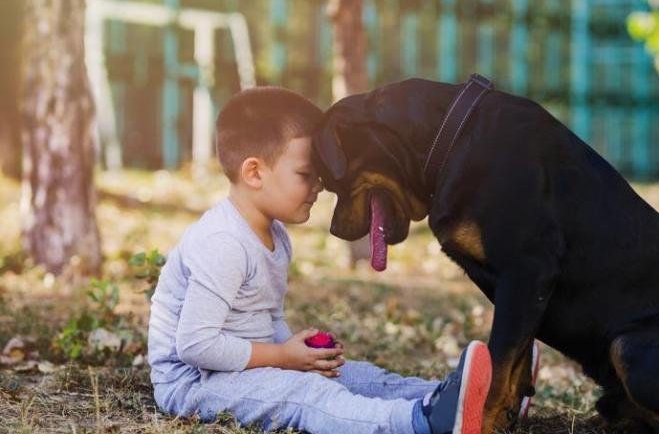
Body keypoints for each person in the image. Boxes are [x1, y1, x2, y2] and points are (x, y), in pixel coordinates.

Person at [146, 86, 496, 434]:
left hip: (240, 367)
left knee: (355, 376)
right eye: (305, 174)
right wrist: (283, 358)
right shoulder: (223, 243)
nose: (320, 186)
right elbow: (196, 346)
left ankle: (469, 401)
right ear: (254, 173)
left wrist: (299, 355)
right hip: (195, 382)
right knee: (308, 394)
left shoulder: (275, 235)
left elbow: (267, 316)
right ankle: (419, 422)